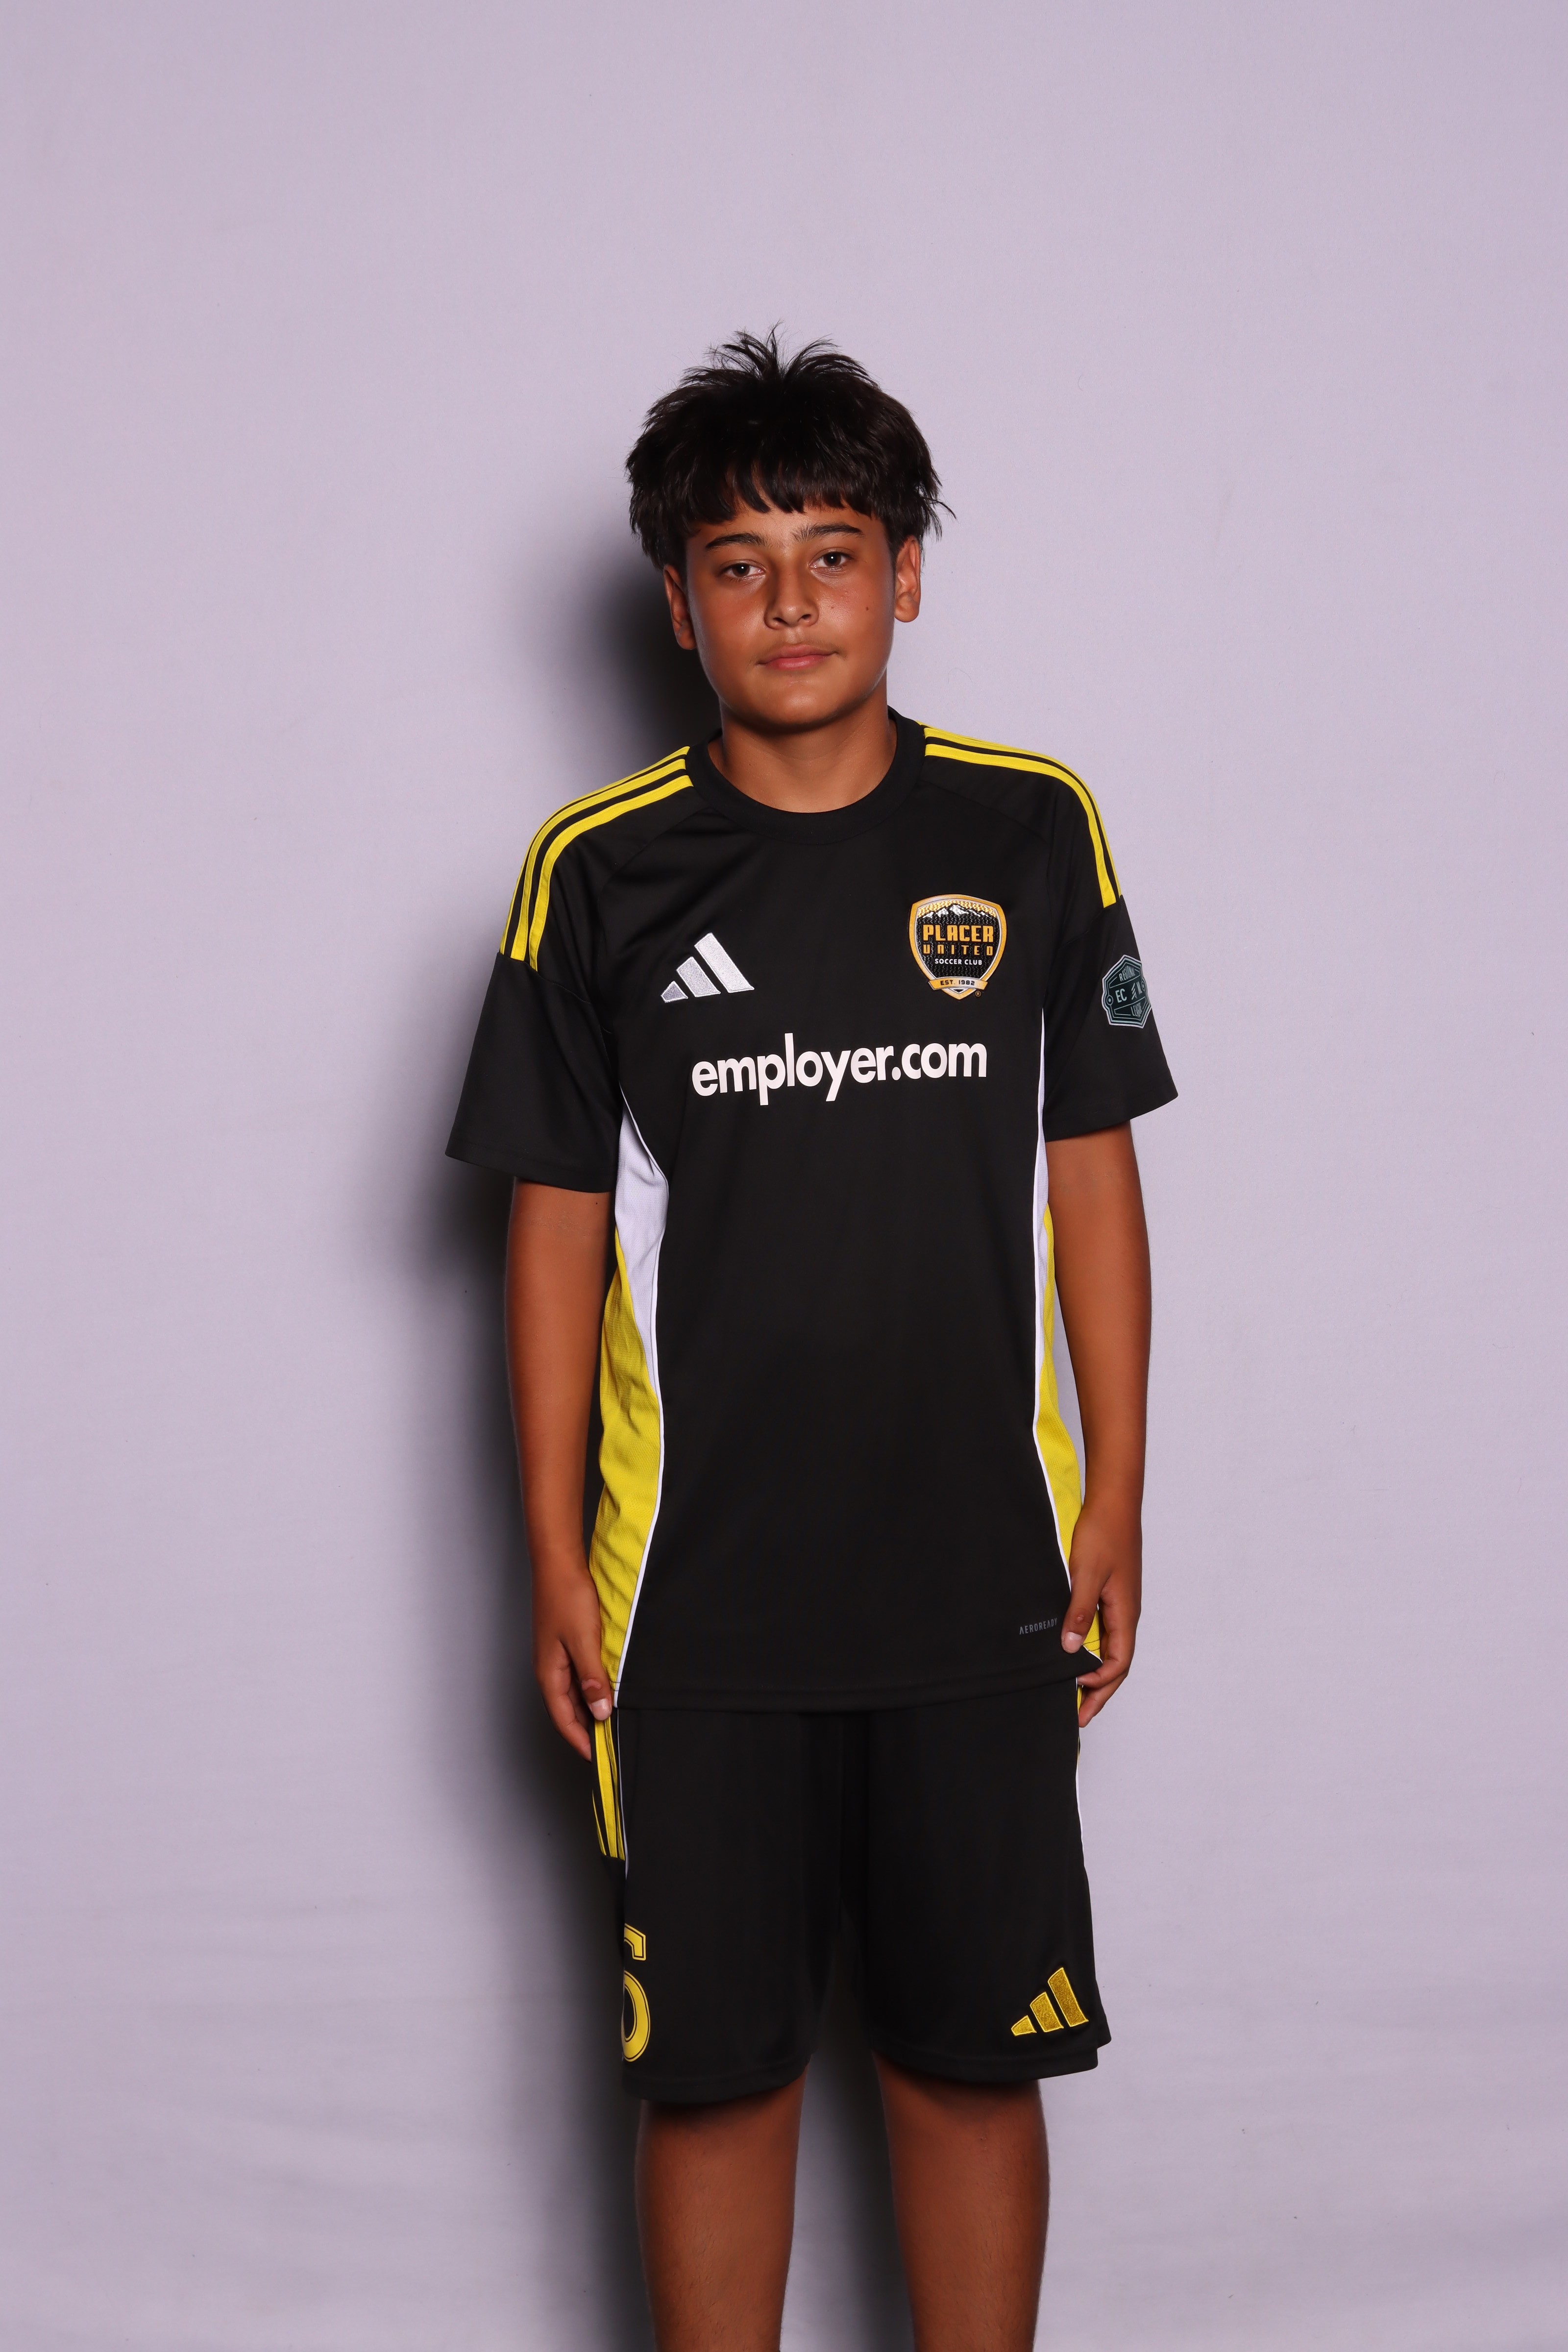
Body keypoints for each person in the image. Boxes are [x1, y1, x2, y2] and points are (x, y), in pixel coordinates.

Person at [447, 330, 1176, 2351]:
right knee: (715, 2070)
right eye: (739, 565)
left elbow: (1091, 1179)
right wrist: (549, 1558)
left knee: (973, 2056)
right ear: (675, 602)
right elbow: (551, 1233)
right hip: (695, 1604)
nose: (790, 603)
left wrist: (1118, 1490)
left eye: (833, 554)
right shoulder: (597, 871)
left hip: (978, 1579)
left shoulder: (1032, 831)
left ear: (906, 575)